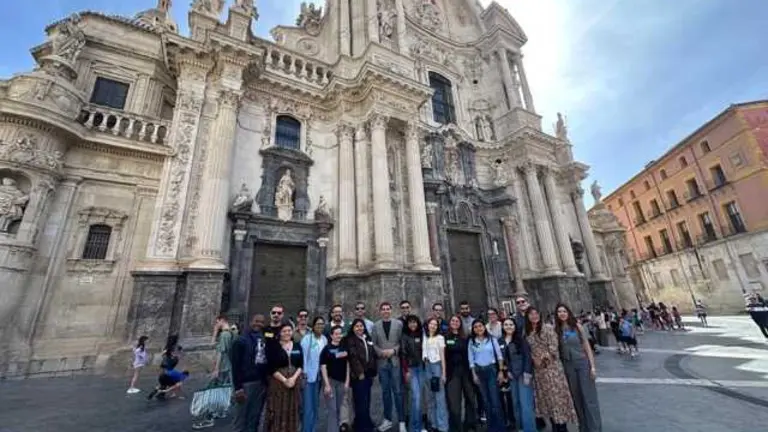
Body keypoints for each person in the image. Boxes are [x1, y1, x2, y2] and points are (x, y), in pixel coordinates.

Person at [525, 307, 577, 432]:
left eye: (536, 313)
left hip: (552, 369)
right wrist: (534, 359)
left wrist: (542, 358)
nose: (534, 316)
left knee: (557, 398)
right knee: (547, 400)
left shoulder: (547, 328)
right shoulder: (527, 332)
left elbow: (554, 347)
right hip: (539, 372)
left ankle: (562, 427)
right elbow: (527, 350)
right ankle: (554, 426)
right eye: (531, 314)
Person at [555, 304, 602, 432]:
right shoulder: (557, 330)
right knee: (577, 398)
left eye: (564, 311)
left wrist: (592, 367)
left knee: (589, 398)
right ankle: (583, 427)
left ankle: (595, 428)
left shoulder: (577, 326)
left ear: (568, 313)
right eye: (559, 312)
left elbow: (587, 347)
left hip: (582, 363)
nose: (562, 313)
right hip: (568, 366)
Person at [231, 314, 270, 432]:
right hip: (245, 384)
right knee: (240, 418)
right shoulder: (240, 340)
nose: (258, 324)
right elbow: (235, 366)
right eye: (256, 321)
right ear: (250, 322)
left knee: (254, 417)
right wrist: (238, 388)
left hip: (260, 383)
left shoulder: (264, 338)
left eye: (261, 322)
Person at [371, 302, 405, 432]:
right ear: (380, 311)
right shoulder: (375, 326)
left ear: (391, 310)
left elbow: (402, 342)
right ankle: (388, 420)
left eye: (387, 309)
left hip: (395, 361)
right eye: (383, 309)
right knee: (385, 392)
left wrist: (394, 351)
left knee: (398, 392)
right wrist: (380, 352)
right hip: (382, 363)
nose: (385, 311)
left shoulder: (398, 324)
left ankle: (401, 421)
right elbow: (373, 343)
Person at [468, 319, 505, 432]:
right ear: (473, 329)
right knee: (486, 401)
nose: (478, 328)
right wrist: (474, 375)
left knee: (495, 400)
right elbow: (471, 359)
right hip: (479, 371)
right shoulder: (472, 341)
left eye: (480, 326)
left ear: (484, 327)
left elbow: (499, 356)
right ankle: (491, 427)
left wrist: (501, 371)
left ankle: (500, 427)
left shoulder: (492, 339)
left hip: (491, 371)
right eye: (476, 327)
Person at [265, 323, 304, 432]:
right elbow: (271, 367)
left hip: (294, 383)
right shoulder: (274, 346)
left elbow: (301, 364)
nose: (287, 333)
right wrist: (285, 380)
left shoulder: (297, 345)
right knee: (278, 410)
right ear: (280, 333)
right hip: (278, 384)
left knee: (292, 410)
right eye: (284, 331)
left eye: (289, 330)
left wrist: (293, 379)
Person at [500, 318, 535, 432]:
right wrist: (507, 372)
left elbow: (527, 356)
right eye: (506, 324)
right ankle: (520, 427)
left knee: (525, 404)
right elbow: (502, 359)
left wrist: (527, 373)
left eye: (511, 324)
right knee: (515, 403)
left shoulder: (521, 340)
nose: (508, 326)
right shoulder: (500, 341)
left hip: (522, 374)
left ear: (515, 327)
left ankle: (529, 429)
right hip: (511, 376)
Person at [444, 315, 477, 432]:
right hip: (452, 373)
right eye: (452, 320)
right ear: (449, 323)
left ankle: (470, 424)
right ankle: (456, 427)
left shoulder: (466, 337)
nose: (455, 322)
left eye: (457, 321)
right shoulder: (445, 337)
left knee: (471, 399)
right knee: (454, 403)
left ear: (460, 323)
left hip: (466, 372)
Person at [345, 318, 378, 432]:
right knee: (360, 402)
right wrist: (360, 373)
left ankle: (365, 423)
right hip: (359, 376)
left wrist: (373, 371)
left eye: (361, 326)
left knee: (367, 400)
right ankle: (361, 427)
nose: (359, 328)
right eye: (357, 326)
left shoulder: (367, 338)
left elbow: (372, 355)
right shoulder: (351, 340)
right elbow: (353, 357)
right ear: (353, 328)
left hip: (368, 375)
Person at [320, 326, 351, 432]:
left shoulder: (344, 348)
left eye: (340, 333)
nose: (338, 336)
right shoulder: (326, 349)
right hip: (331, 382)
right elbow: (323, 366)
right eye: (336, 334)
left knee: (339, 409)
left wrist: (347, 382)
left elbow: (348, 365)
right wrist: (327, 384)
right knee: (332, 410)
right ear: (331, 335)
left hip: (342, 382)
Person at [301, 317, 328, 432]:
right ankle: (307, 429)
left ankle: (313, 428)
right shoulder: (307, 339)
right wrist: (304, 372)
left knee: (316, 404)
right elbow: (303, 358)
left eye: (322, 324)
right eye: (318, 324)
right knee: (308, 406)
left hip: (320, 376)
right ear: (313, 326)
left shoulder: (324, 339)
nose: (320, 326)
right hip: (309, 376)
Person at [400, 315, 425, 432]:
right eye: (410, 323)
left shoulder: (422, 334)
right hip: (411, 369)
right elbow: (403, 355)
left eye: (414, 322)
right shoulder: (404, 336)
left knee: (420, 398)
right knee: (416, 397)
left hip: (422, 368)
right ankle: (414, 427)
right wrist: (406, 371)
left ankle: (419, 426)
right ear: (407, 324)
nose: (412, 325)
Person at [424, 317, 449, 432]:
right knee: (430, 397)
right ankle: (433, 424)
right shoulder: (425, 337)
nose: (433, 326)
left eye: (435, 324)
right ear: (427, 325)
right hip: (427, 367)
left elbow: (442, 356)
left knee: (440, 398)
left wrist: (443, 373)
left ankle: (443, 426)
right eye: (431, 324)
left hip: (437, 366)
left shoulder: (440, 338)